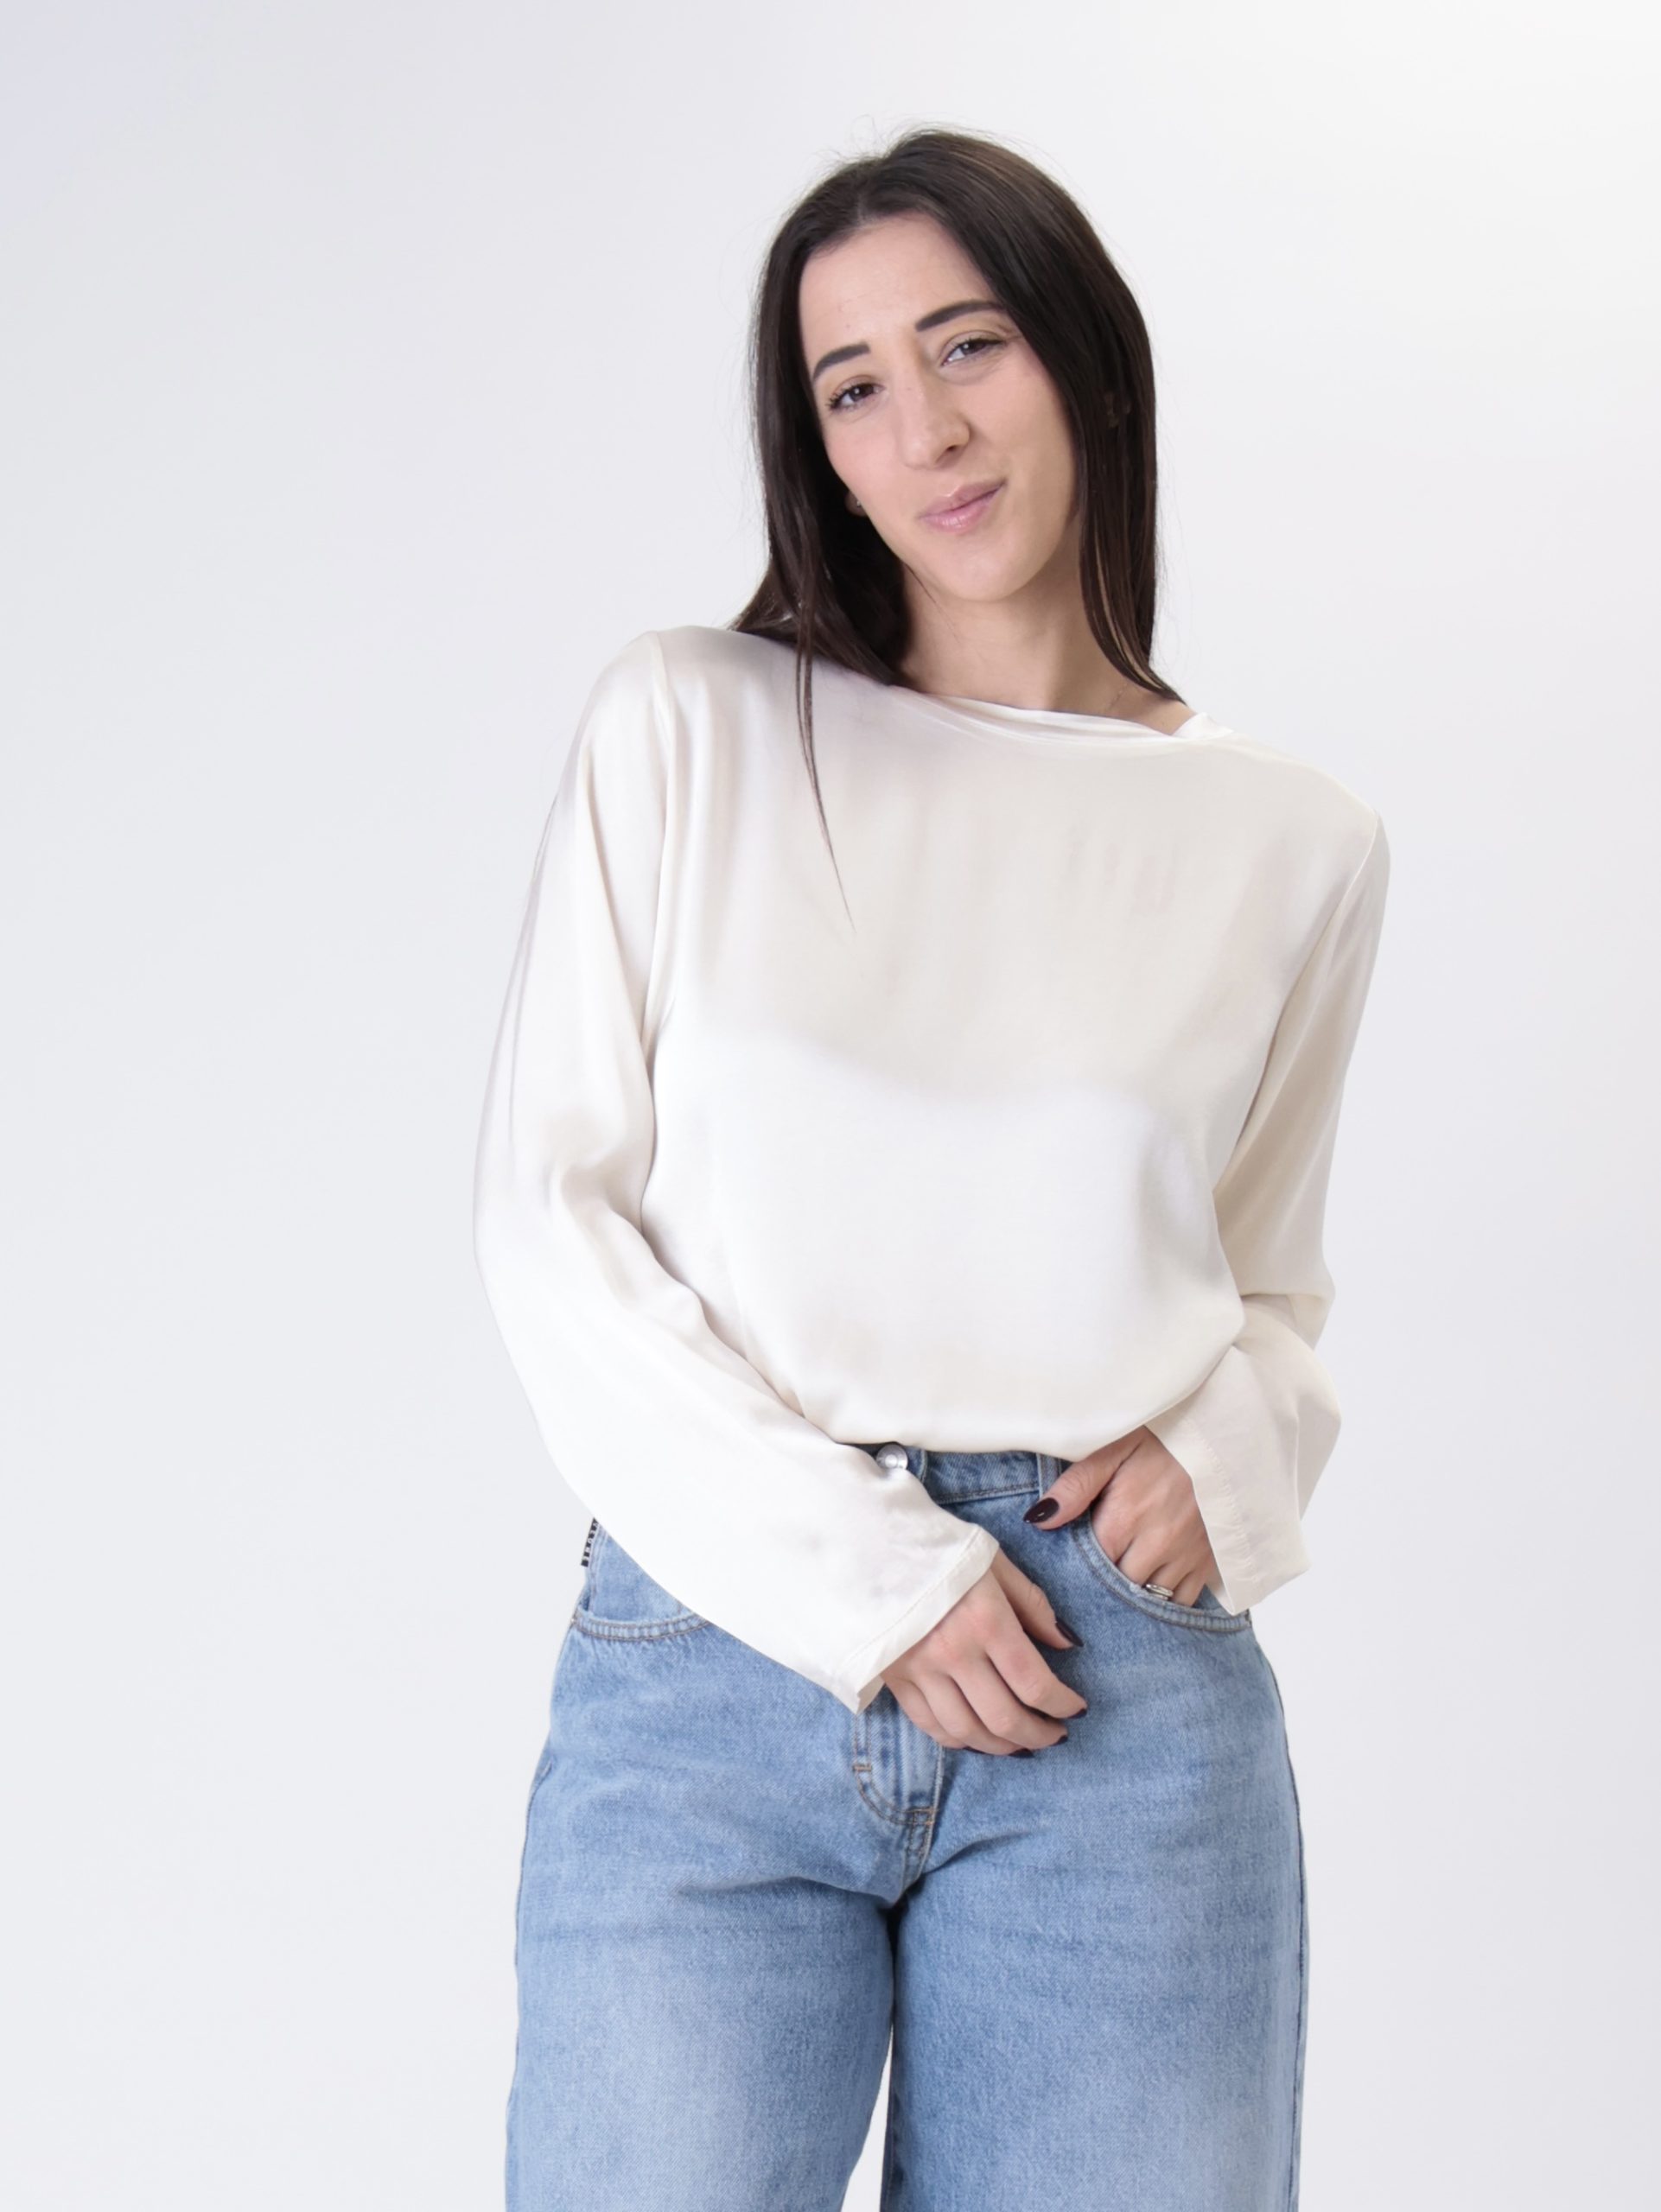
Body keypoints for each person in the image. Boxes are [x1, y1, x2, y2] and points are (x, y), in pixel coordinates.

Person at [472, 125, 1391, 2212]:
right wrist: (878, 1581)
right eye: (853, 385)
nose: (926, 428)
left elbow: (1268, 1286)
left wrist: (1224, 1444)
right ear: (815, 448)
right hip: (719, 1648)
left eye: (967, 346)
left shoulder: (1294, 843)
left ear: (1083, 359)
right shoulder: (690, 726)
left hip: (1113, 1689)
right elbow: (552, 1221)